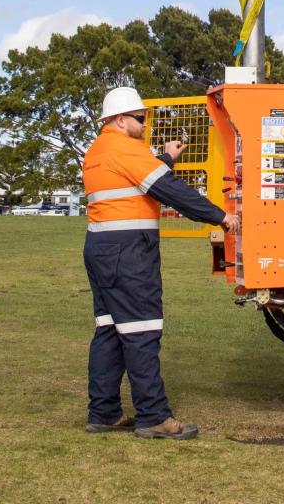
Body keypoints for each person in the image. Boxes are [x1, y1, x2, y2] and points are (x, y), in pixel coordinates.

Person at [79, 85, 240, 440]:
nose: (144, 123)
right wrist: (221, 217)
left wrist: (166, 158)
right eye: (139, 118)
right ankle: (153, 416)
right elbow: (171, 191)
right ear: (120, 120)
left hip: (102, 248)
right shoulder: (125, 148)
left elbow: (140, 182)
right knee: (141, 331)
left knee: (109, 331)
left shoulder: (99, 149)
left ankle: (103, 413)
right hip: (128, 253)